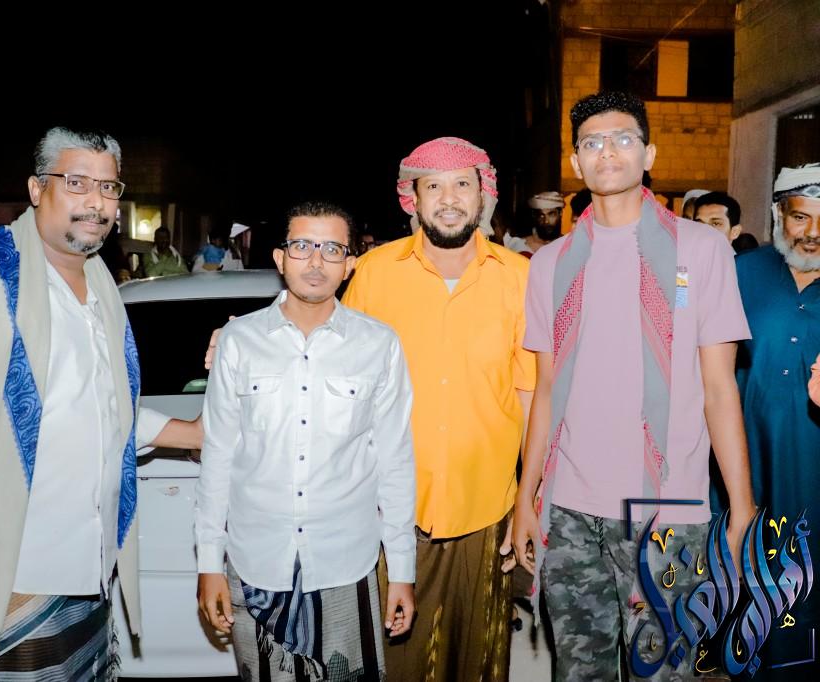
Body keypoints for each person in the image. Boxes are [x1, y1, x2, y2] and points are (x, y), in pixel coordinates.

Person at [0, 127, 203, 679]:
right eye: (76, 183)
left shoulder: (100, 286)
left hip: (90, 567)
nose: (95, 201)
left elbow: (96, 406)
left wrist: (191, 433)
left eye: (108, 187)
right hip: (3, 575)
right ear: (36, 188)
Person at [512, 91, 755, 681]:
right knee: (578, 671)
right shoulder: (550, 263)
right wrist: (525, 496)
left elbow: (720, 389)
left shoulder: (701, 250)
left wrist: (742, 509)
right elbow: (546, 390)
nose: (608, 152)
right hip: (569, 510)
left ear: (648, 154)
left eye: (623, 139)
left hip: (669, 511)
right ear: (577, 162)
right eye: (592, 142)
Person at [342, 137, 536, 681]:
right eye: (434, 186)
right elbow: (332, 364)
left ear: (483, 194)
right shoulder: (375, 273)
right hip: (391, 512)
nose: (449, 199)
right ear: (414, 198)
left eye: (461, 185)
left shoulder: (519, 277)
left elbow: (529, 395)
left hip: (488, 509)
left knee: (478, 663)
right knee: (398, 663)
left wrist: (529, 499)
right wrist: (243, 334)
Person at [196, 201, 416, 679]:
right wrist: (209, 563)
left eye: (332, 249)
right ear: (280, 258)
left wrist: (402, 571)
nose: (316, 261)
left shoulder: (379, 344)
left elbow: (395, 461)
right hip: (257, 562)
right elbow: (218, 456)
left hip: (345, 563)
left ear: (350, 264)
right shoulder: (239, 341)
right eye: (302, 246)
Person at [725, 163, 820, 678]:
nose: (814, 233)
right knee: (754, 572)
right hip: (749, 460)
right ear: (779, 214)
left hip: (814, 462)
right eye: (801, 217)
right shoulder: (743, 273)